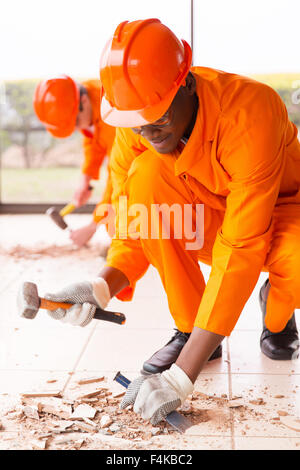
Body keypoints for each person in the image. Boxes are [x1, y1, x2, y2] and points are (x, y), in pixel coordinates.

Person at [43, 19, 300, 425]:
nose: (145, 130)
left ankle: (277, 313)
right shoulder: (134, 123)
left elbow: (241, 244)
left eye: (155, 116)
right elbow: (132, 216)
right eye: (136, 121)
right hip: (209, 206)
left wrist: (182, 377)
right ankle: (193, 330)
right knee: (144, 178)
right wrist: (101, 285)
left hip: (282, 209)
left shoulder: (252, 111)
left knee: (297, 262)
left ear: (187, 84)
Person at [33, 75, 115, 247]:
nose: (78, 129)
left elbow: (120, 175)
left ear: (83, 101)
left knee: (117, 219)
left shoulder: (113, 110)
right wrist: (85, 180)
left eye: (76, 122)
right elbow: (93, 141)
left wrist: (93, 225)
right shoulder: (88, 98)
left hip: (154, 167)